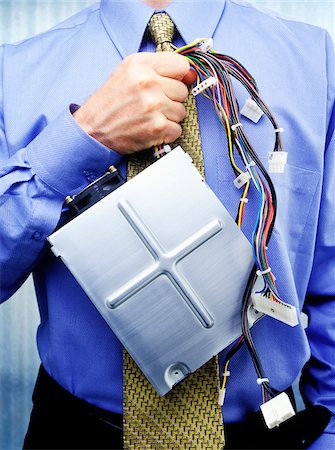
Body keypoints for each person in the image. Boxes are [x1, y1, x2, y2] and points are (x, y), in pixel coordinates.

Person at [0, 0, 334, 448]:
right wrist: (83, 138)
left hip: (268, 431)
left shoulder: (315, 61)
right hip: (74, 433)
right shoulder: (14, 72)